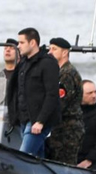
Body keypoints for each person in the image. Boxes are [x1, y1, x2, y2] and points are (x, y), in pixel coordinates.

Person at [5, 28, 61, 158]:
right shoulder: (23, 63)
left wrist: (40, 121)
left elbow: (52, 94)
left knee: (23, 156)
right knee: (37, 158)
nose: (18, 46)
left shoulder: (48, 63)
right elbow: (16, 90)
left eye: (21, 42)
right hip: (23, 119)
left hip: (37, 120)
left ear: (32, 43)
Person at [46, 37, 85, 165]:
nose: (50, 52)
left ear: (64, 53)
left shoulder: (66, 74)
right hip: (61, 127)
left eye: (54, 49)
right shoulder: (59, 71)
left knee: (65, 165)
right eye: (49, 48)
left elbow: (59, 102)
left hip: (68, 130)